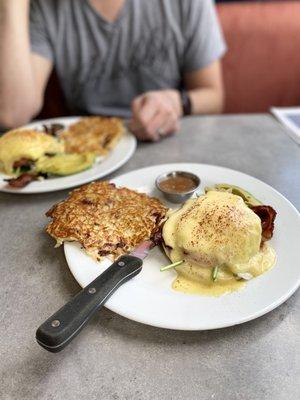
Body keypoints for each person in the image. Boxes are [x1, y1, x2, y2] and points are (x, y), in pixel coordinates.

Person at [0, 0, 226, 141]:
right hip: (88, 152)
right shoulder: (44, 7)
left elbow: (213, 97)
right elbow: (13, 113)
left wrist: (178, 102)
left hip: (167, 142)